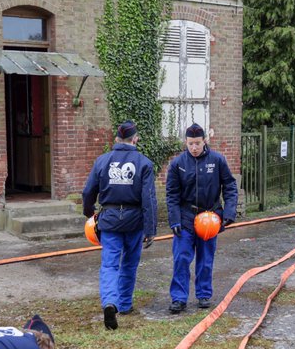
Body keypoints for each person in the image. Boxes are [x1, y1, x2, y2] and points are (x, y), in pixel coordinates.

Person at [82, 121, 157, 330]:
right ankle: (124, 304)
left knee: (109, 264)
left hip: (110, 219)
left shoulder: (102, 161)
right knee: (129, 264)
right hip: (134, 221)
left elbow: (88, 192)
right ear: (135, 139)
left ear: (116, 139)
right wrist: (150, 230)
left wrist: (90, 214)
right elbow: (149, 199)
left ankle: (109, 302)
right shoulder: (144, 163)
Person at [165, 123, 238, 313]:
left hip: (210, 217)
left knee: (205, 259)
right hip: (186, 217)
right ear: (186, 142)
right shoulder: (178, 164)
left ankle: (204, 294)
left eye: (197, 143)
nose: (194, 148)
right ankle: (179, 298)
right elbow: (172, 194)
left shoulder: (217, 160)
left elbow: (230, 186)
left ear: (204, 141)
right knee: (181, 258)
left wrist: (229, 213)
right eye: (190, 144)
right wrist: (174, 220)